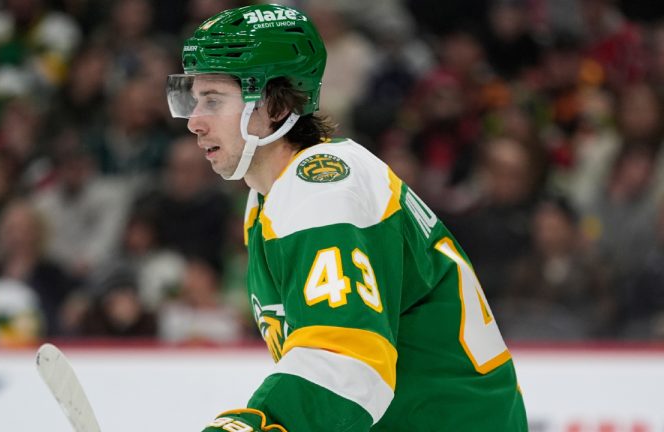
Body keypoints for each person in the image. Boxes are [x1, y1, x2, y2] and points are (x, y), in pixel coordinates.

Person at [166, 4, 527, 431]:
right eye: (193, 99)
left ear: (275, 105)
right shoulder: (270, 199)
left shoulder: (323, 187)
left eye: (213, 100)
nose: (195, 122)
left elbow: (347, 364)